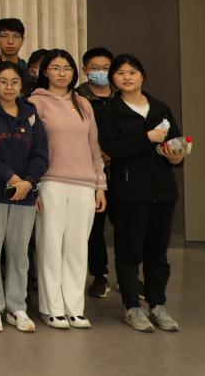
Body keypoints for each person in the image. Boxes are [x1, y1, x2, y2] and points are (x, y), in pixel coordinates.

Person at [98, 54, 184, 333]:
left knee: (157, 253)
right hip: (129, 192)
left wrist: (176, 156)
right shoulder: (110, 110)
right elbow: (113, 150)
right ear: (113, 79)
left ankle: (157, 304)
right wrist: (147, 138)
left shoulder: (159, 107)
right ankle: (132, 307)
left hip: (163, 191)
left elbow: (177, 142)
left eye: (132, 72)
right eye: (120, 73)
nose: (127, 77)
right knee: (129, 251)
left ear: (142, 76)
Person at [0, 61, 49, 333]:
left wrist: (28, 182)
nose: (9, 87)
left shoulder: (31, 114)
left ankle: (17, 306)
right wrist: (10, 177)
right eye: (3, 81)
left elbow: (41, 154)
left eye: (14, 82)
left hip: (25, 195)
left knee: (19, 252)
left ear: (21, 85)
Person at [29, 49, 107, 330]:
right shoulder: (35, 102)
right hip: (50, 182)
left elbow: (94, 146)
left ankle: (74, 307)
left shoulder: (83, 103)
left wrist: (100, 185)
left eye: (67, 68)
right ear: (45, 72)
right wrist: (33, 186)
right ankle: (51, 308)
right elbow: (29, 148)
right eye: (55, 67)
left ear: (74, 73)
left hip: (84, 184)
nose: (62, 73)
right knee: (50, 246)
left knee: (77, 248)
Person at [77, 46, 115, 299]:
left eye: (106, 68)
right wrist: (96, 153)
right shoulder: (78, 97)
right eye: (95, 68)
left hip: (122, 169)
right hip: (90, 170)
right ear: (84, 70)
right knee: (94, 227)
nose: (100, 72)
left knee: (126, 227)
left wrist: (115, 152)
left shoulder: (123, 95)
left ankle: (130, 276)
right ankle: (99, 275)